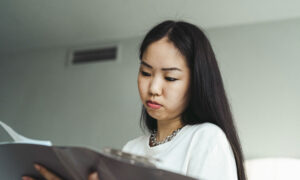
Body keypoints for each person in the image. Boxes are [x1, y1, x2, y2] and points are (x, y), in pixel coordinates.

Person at [22, 20, 246, 180]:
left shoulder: (206, 138)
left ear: (197, 82)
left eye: (170, 77)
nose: (153, 88)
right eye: (146, 73)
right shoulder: (132, 148)